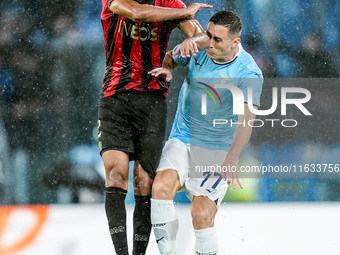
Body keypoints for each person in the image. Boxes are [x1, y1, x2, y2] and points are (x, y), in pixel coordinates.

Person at [98, 1, 212, 254]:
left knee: (144, 182)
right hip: (115, 98)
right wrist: (183, 12)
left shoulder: (169, 3)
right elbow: (137, 12)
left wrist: (188, 45)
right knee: (116, 173)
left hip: (152, 101)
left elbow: (203, 36)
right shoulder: (118, 1)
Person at [148, 10, 263, 254]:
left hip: (216, 149)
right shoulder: (198, 48)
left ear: (235, 42)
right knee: (160, 189)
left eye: (217, 40)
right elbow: (171, 56)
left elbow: (247, 120)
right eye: (208, 35)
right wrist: (168, 69)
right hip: (183, 137)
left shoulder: (248, 73)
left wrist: (232, 158)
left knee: (201, 214)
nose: (209, 43)